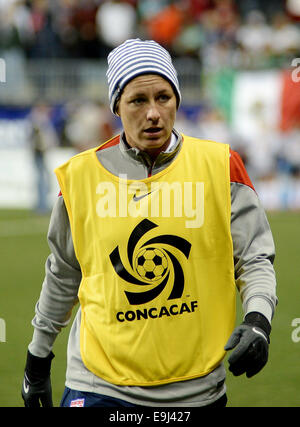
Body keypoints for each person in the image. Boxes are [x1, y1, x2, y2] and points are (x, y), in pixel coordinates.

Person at [21, 38, 277, 408]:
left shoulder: (221, 166)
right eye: (138, 101)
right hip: (97, 386)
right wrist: (37, 359)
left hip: (196, 391)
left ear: (177, 100)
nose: (153, 113)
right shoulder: (80, 178)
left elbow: (254, 260)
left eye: (163, 97)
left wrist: (258, 319)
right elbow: (63, 273)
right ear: (116, 108)